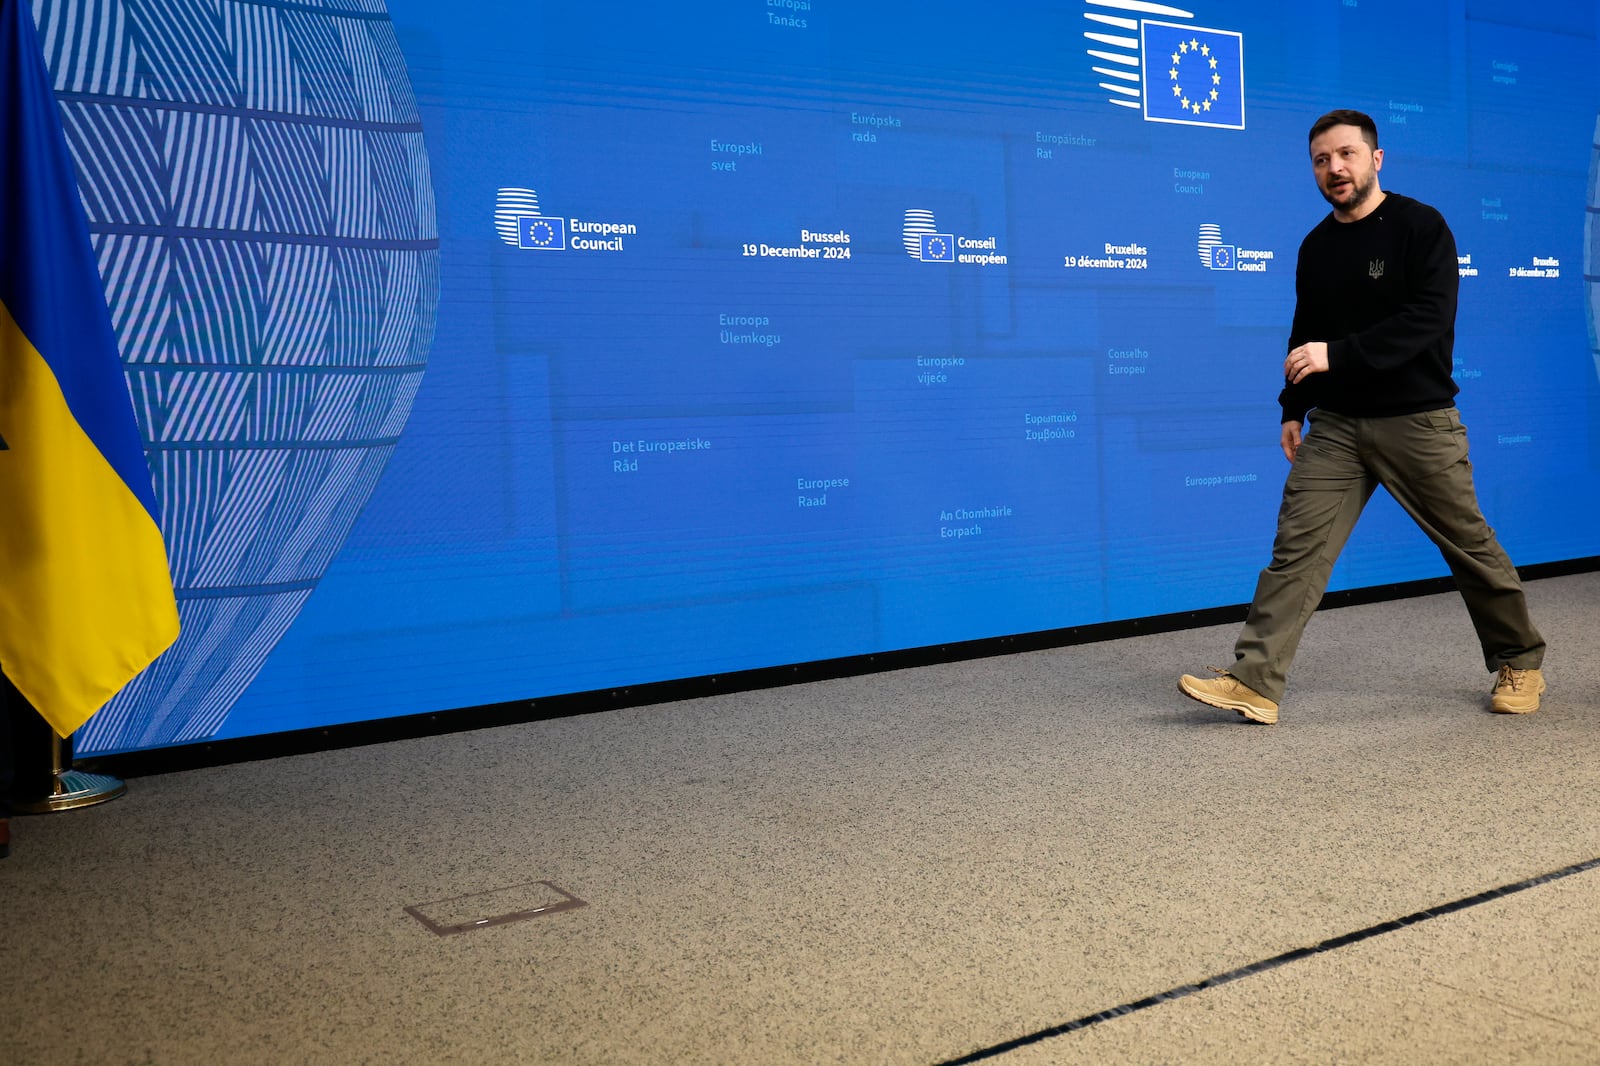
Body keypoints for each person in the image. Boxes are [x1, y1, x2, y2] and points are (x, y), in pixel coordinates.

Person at [1179, 108, 1546, 725]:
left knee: (1470, 545)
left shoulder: (1420, 227)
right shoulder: (1316, 246)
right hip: (1338, 425)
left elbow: (1428, 317)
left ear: (1376, 159)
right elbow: (1306, 333)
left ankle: (1520, 661)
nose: (1335, 168)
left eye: (1346, 154)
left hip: (1418, 420)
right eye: (1322, 160)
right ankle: (1255, 681)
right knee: (1296, 549)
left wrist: (1340, 355)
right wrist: (1293, 407)